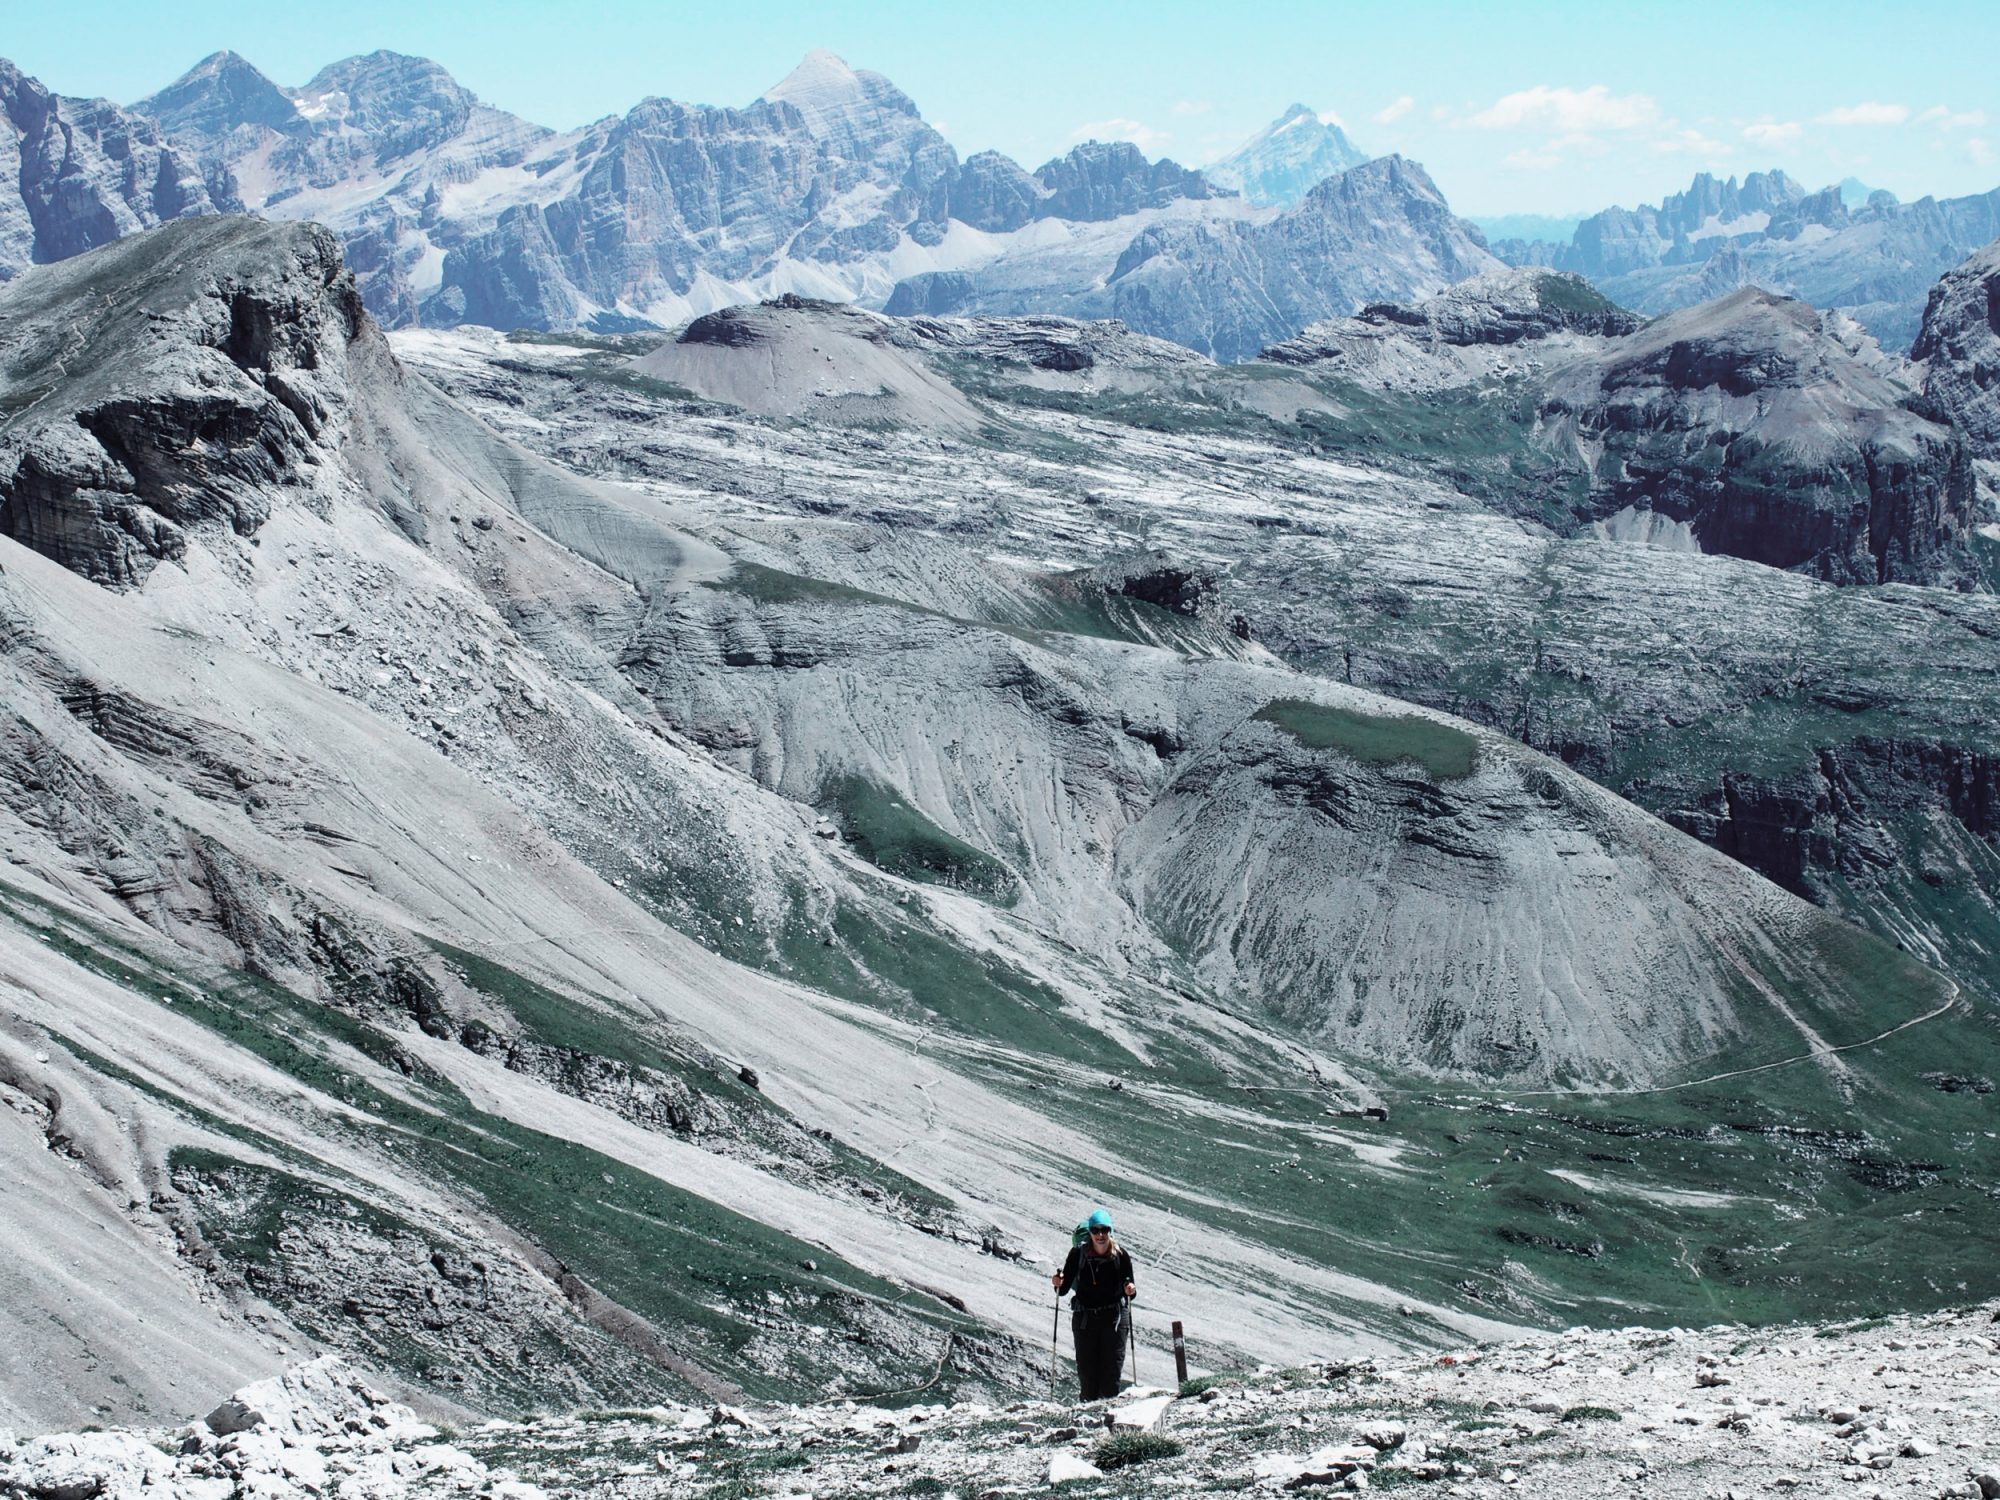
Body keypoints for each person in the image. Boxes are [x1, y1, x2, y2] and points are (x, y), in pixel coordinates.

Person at [1050, 1207, 1135, 1401]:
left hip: (1114, 1318)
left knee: (1111, 1373)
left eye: (1104, 1230)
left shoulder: (1121, 1256)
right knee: (1088, 1374)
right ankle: (1089, 1417)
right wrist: (1058, 1283)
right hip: (1085, 1319)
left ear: (1110, 1231)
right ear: (1090, 1232)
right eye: (1096, 1230)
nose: (1100, 1235)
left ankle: (1106, 1418)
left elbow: (1130, 1288)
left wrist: (1130, 1288)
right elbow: (1062, 1290)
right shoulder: (1077, 1254)